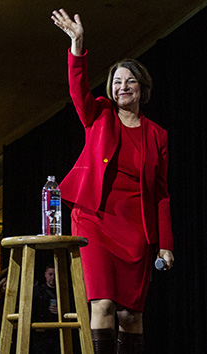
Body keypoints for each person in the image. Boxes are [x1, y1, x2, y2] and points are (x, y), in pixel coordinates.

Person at [51, 9, 176, 354]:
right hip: (95, 219)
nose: (122, 87)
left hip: (136, 232)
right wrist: (77, 45)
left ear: (141, 88)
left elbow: (161, 195)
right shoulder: (100, 114)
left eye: (130, 81)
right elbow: (78, 92)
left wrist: (166, 243)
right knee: (102, 304)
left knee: (131, 315)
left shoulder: (158, 135)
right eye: (117, 81)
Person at [31, 264, 60, 353]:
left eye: (55, 275)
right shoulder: (37, 292)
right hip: (42, 333)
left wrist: (60, 311)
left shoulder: (64, 291)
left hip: (58, 332)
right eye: (50, 274)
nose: (53, 277)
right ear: (45, 274)